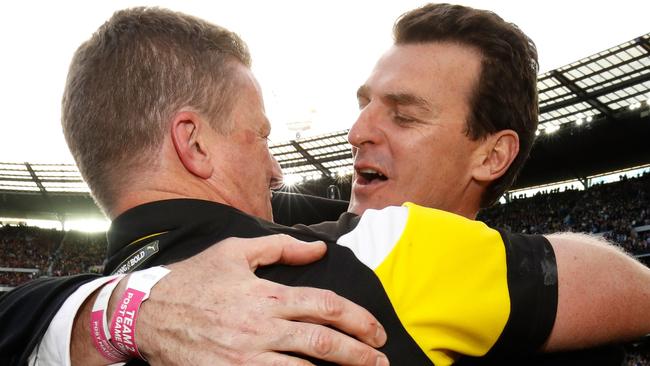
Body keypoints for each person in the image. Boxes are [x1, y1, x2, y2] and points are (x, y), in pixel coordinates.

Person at [1, 4, 648, 366]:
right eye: (260, 135)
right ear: (193, 144)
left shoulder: (58, 331)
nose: (280, 169)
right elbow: (623, 289)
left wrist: (112, 310)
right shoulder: (380, 252)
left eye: (404, 112)